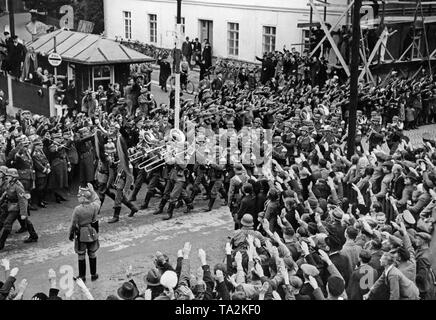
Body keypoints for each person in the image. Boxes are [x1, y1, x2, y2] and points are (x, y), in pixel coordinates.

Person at [69, 183, 100, 282]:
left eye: (79, 195)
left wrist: (70, 234)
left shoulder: (77, 210)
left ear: (83, 197)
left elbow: (73, 224)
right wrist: (92, 191)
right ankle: (94, 274)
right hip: (93, 232)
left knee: (81, 254)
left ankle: (82, 276)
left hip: (82, 233)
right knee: (92, 253)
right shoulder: (94, 206)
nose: (78, 197)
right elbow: (97, 200)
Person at [0, 168, 38, 250]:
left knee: (7, 223)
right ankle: (34, 236)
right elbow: (5, 193)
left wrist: (23, 213)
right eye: (7, 176)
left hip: (16, 207)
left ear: (13, 177)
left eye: (9, 176)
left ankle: (1, 243)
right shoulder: (10, 184)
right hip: (10, 205)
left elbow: (23, 200)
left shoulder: (18, 186)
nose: (7, 177)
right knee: (25, 221)